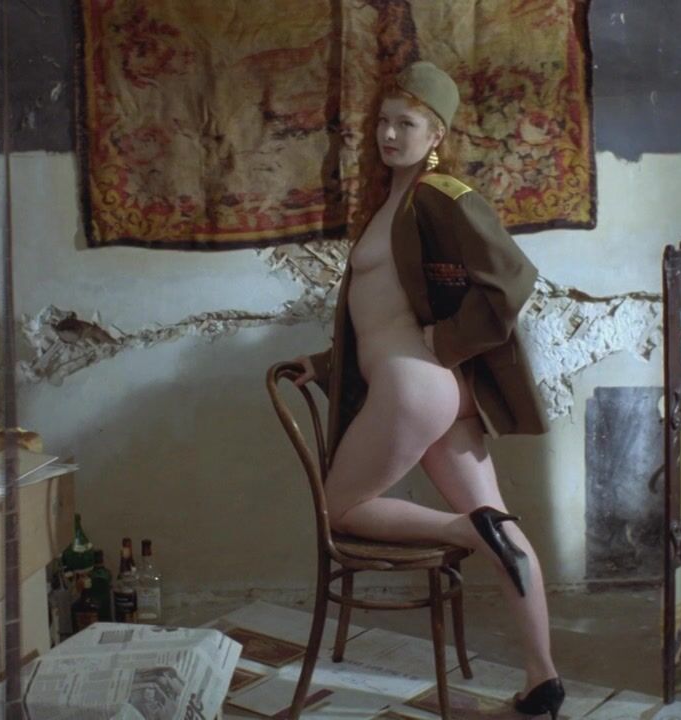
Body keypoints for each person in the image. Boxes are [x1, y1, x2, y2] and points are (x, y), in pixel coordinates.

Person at [293, 61, 564, 718]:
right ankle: (544, 683)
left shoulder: (441, 193)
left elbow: (513, 278)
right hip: (427, 388)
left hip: (416, 388)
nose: (389, 135)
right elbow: (386, 310)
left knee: (340, 509)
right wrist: (327, 364)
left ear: (436, 133)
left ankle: (466, 530)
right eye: (383, 122)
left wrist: (445, 344)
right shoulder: (398, 202)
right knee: (500, 519)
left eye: (406, 124)